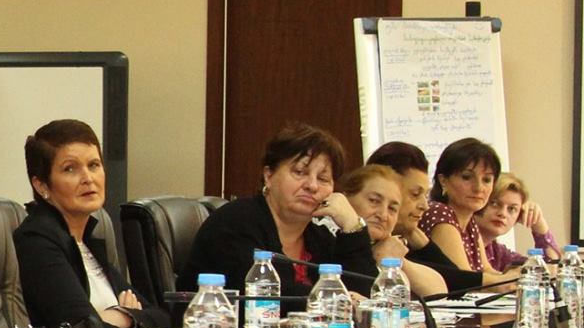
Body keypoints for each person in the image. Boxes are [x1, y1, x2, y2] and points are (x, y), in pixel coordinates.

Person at [12, 119, 163, 328]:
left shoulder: (86, 242)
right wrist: (130, 317)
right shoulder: (36, 242)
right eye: (70, 169)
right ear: (42, 186)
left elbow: (161, 320)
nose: (88, 178)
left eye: (93, 165)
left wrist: (121, 316)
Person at [186, 122, 375, 295]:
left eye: (323, 178)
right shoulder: (235, 222)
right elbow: (266, 295)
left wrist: (352, 226)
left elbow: (365, 293)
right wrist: (339, 298)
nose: (312, 185)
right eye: (299, 172)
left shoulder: (319, 238)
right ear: (268, 176)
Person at [367, 140, 478, 294]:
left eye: (425, 195)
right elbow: (458, 286)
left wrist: (422, 242)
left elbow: (456, 282)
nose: (425, 206)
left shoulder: (405, 237)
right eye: (415, 194)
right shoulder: (357, 243)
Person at [416, 137, 518, 289]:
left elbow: (486, 270)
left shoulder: (469, 220)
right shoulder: (439, 213)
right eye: (467, 177)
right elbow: (467, 280)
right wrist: (510, 280)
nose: (478, 188)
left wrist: (517, 277)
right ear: (443, 180)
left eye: (486, 180)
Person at [339, 163, 447, 298]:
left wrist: (394, 261)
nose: (383, 215)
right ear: (345, 198)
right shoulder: (327, 239)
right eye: (374, 201)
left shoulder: (384, 244)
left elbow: (440, 291)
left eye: (392, 208)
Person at [473, 173, 562, 272]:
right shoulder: (461, 243)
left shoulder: (498, 252)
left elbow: (550, 270)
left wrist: (538, 222)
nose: (502, 213)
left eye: (511, 209)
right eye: (494, 203)